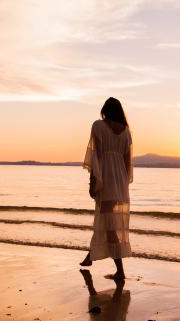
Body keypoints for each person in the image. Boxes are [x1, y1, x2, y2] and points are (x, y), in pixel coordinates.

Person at [80, 97, 133, 281]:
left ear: (105, 110)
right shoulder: (126, 133)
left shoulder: (98, 126)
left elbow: (96, 157)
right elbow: (127, 164)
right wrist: (124, 185)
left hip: (107, 181)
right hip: (120, 183)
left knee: (108, 225)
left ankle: (120, 270)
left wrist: (93, 182)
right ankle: (90, 257)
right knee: (105, 222)